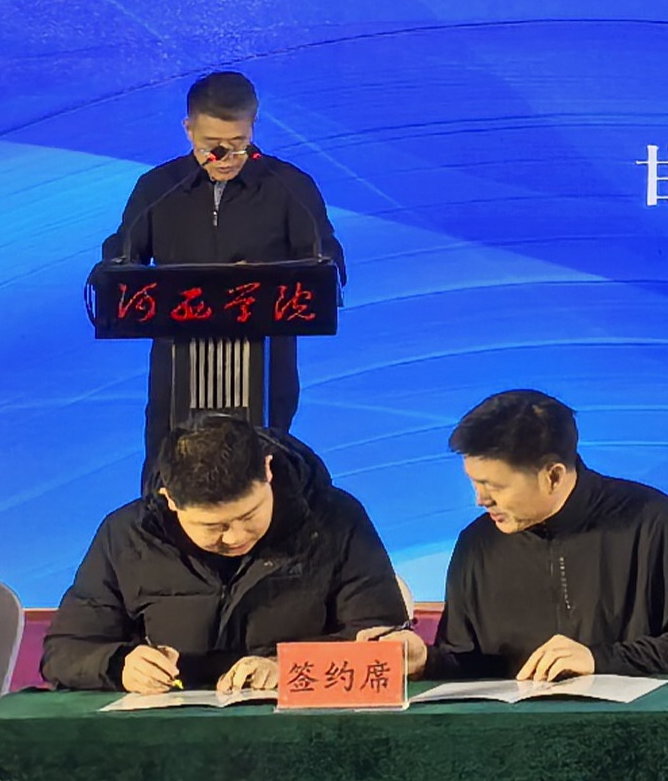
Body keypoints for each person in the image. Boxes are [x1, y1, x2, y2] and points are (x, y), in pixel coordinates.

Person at [42, 415, 415, 692]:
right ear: (171, 501)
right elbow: (64, 651)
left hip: (301, 726)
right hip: (169, 734)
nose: (236, 537)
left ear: (268, 471)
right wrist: (119, 665)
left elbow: (382, 643)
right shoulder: (126, 535)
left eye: (249, 515)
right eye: (213, 527)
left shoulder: (336, 519)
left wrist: (287, 667)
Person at [102, 71, 345, 476]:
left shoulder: (289, 186)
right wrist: (115, 267)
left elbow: (328, 262)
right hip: (178, 366)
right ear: (188, 129)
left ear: (253, 127)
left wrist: (265, 279)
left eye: (238, 143)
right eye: (211, 145)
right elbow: (125, 258)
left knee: (261, 474)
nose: (225, 157)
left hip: (266, 363)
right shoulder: (157, 187)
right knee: (169, 473)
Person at [425, 389, 668, 682]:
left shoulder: (652, 519)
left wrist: (600, 659)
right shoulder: (477, 544)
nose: (480, 500)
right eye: (475, 483)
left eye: (494, 486)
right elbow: (464, 663)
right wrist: (427, 662)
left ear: (553, 476)